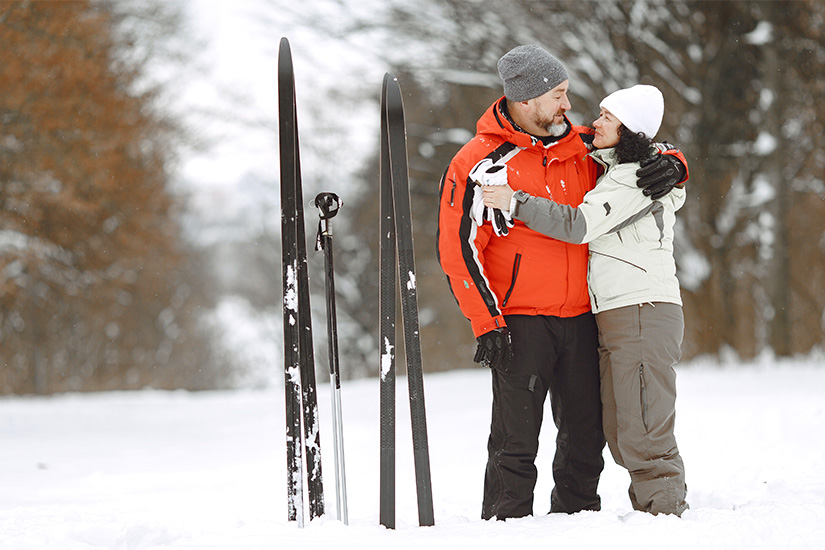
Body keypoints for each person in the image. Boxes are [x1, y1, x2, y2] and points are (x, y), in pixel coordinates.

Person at [436, 44, 688, 520]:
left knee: (586, 438)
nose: (568, 107)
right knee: (515, 440)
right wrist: (486, 322)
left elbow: (637, 146)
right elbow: (458, 249)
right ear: (527, 99)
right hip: (520, 320)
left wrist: (674, 161)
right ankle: (505, 526)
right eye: (558, 95)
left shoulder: (581, 146)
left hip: (585, 316)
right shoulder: (479, 161)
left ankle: (577, 523)